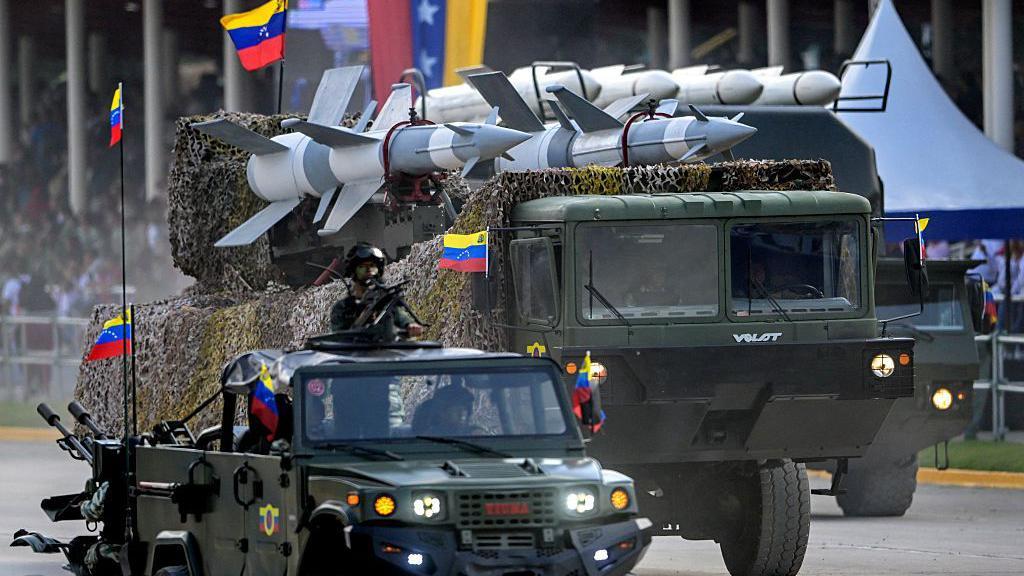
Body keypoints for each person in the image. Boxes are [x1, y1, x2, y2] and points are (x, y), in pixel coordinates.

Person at [328, 242, 424, 338]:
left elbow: (400, 316)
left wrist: (409, 326)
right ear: (353, 270)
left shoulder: (384, 302)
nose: (369, 270)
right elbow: (339, 339)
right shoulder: (342, 307)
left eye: (372, 266)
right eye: (362, 266)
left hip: (386, 351)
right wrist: (364, 314)